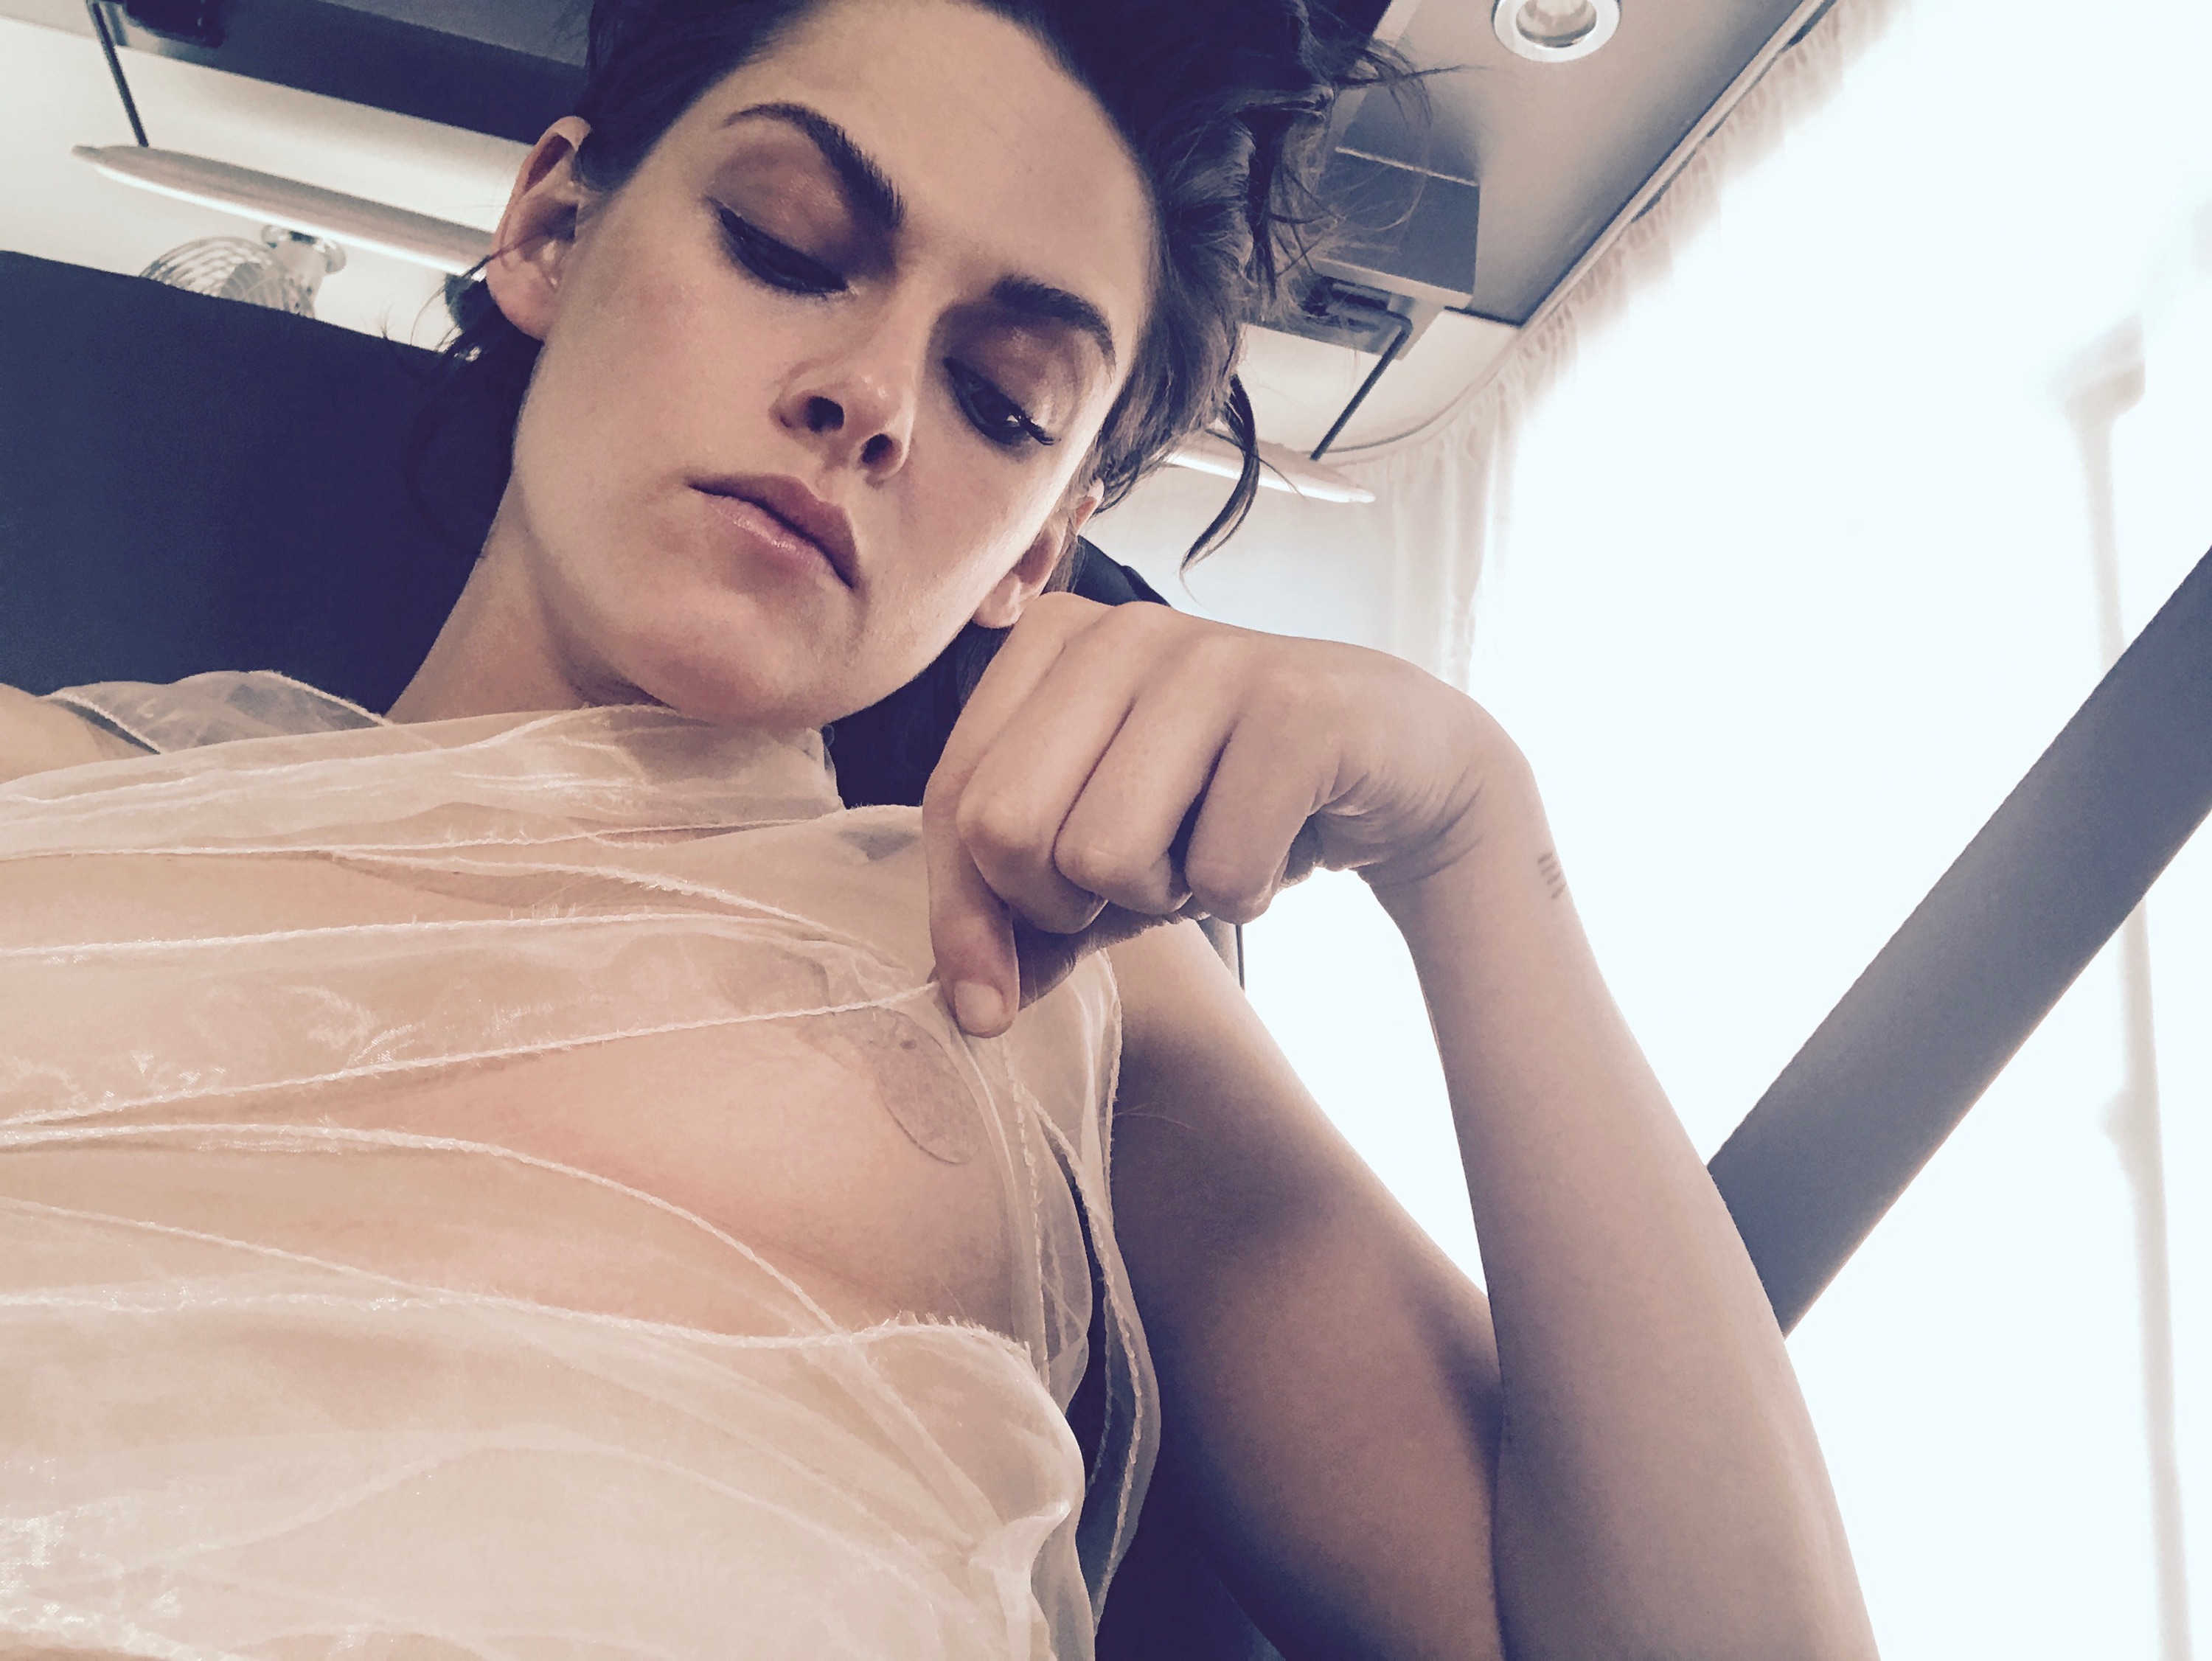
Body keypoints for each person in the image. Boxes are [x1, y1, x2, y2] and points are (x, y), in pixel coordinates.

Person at [0, 0, 1879, 1655]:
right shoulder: (38, 788)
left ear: (1037, 551)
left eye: (1004, 398)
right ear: (553, 226)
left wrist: (1474, 843)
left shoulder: (1039, 985)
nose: (876, 399)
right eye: (784, 242)